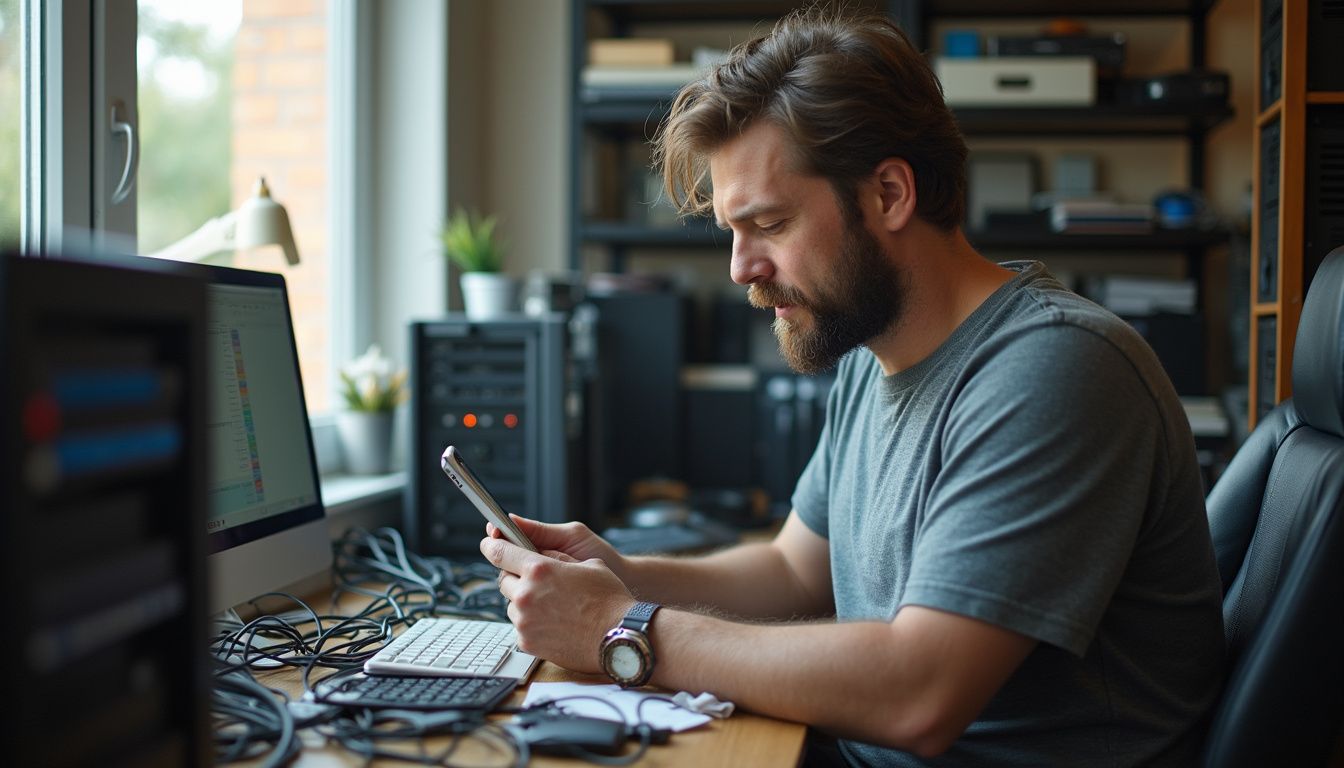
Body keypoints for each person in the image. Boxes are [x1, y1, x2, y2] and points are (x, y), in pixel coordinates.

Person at [479, 9, 1224, 766]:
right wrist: (620, 577)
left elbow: (919, 692)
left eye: (768, 223)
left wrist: (625, 631)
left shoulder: (1055, 368)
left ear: (891, 194)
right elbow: (794, 572)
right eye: (733, 232)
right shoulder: (873, 356)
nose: (741, 269)